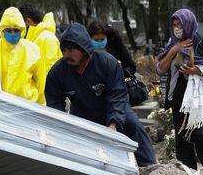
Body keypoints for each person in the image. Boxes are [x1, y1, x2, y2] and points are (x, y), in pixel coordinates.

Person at [45, 24, 156, 167]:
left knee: (133, 124)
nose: (67, 55)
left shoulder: (107, 62)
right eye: (64, 50)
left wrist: (113, 125)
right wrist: (62, 130)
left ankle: (150, 166)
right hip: (82, 114)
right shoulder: (57, 72)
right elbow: (54, 104)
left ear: (84, 50)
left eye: (71, 50)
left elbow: (118, 96)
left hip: (114, 109)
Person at [156, 9, 203, 175]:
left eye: (179, 24)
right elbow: (160, 69)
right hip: (178, 96)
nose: (177, 28)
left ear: (189, 23)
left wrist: (197, 70)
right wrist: (174, 50)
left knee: (199, 131)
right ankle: (187, 171)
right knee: (181, 134)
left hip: (200, 95)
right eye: (174, 25)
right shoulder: (172, 43)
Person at [0, 7, 44, 175]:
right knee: (4, 155)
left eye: (16, 29)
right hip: (0, 110)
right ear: (2, 29)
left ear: (23, 29)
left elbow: (40, 83)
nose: (12, 33)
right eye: (9, 29)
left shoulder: (33, 50)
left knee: (25, 156)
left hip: (27, 110)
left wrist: (41, 109)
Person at [19, 3, 61, 103]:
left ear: (28, 21)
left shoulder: (45, 39)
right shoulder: (38, 37)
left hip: (47, 100)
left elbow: (47, 75)